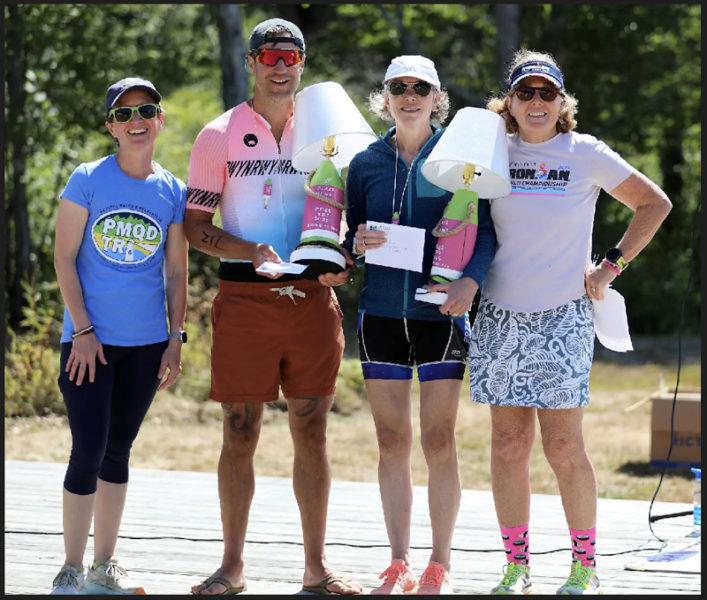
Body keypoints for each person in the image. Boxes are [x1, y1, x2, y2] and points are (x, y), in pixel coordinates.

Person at [468, 50, 672, 595]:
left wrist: (611, 266)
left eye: (547, 93)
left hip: (562, 318)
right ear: (508, 103)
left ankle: (585, 567)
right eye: (525, 92)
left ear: (563, 103)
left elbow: (653, 204)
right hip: (498, 316)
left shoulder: (584, 152)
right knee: (508, 445)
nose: (537, 102)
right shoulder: (489, 149)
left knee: (563, 449)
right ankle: (517, 567)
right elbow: (457, 214)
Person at [184, 18, 361, 596]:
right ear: (253, 64)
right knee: (240, 430)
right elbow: (194, 225)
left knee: (312, 433)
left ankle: (317, 569)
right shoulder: (218, 134)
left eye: (291, 56)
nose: (280, 66)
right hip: (245, 297)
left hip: (312, 298)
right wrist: (248, 249)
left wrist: (346, 257)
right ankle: (231, 568)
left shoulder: (329, 129)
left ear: (302, 64)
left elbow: (348, 209)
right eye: (269, 56)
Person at [342, 56, 497, 595]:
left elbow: (487, 233)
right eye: (398, 87)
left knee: (437, 441)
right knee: (391, 440)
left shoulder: (459, 156)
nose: (409, 96)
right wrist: (352, 245)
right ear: (384, 96)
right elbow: (349, 237)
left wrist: (470, 284)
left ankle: (439, 562)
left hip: (440, 315)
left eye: (420, 88)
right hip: (381, 313)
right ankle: (398, 560)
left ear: (437, 97)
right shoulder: (364, 162)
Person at [51, 77, 188, 594]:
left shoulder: (171, 189)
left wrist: (177, 335)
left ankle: (104, 566)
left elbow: (176, 272)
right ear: (111, 125)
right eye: (125, 114)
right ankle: (70, 565)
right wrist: (82, 330)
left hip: (148, 344)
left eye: (146, 111)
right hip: (89, 343)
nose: (137, 121)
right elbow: (63, 257)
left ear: (159, 118)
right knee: (87, 446)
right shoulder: (86, 179)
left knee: (118, 449)